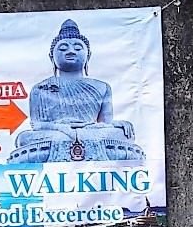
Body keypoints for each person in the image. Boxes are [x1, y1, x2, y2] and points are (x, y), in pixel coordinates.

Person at [8, 20, 145, 163]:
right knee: (23, 138)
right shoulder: (40, 88)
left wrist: (115, 125)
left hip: (91, 131)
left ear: (88, 55)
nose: (71, 51)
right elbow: (37, 125)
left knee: (123, 135)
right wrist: (62, 128)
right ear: (51, 57)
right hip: (55, 133)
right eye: (63, 48)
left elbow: (105, 123)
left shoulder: (102, 87)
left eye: (78, 48)